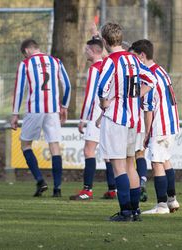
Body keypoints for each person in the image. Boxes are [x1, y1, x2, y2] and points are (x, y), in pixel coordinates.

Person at [97, 23, 156, 221]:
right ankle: (136, 211)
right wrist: (137, 94)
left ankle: (125, 212)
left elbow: (103, 89)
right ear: (121, 39)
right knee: (131, 164)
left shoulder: (109, 61)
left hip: (116, 120)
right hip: (135, 119)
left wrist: (104, 103)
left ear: (105, 41)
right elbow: (151, 80)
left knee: (118, 166)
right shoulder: (133, 58)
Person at [10, 39, 71, 197]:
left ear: (27, 51)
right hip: (53, 110)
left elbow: (19, 90)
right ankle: (57, 189)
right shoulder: (55, 61)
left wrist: (15, 114)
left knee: (25, 145)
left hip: (34, 109)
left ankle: (40, 180)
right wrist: (64, 106)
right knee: (55, 147)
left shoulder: (26, 64)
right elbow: (67, 85)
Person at [129, 39, 180, 214]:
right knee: (165, 160)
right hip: (171, 123)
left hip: (159, 125)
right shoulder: (161, 70)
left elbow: (148, 109)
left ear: (142, 56)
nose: (133, 61)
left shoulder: (149, 75)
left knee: (156, 162)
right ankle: (172, 201)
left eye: (134, 56)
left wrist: (146, 134)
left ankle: (161, 205)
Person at [69, 37, 104, 201]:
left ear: (93, 51)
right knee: (111, 154)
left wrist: (83, 118)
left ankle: (87, 190)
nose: (85, 52)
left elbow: (90, 96)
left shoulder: (95, 68)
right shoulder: (110, 65)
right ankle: (113, 189)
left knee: (89, 150)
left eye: (87, 50)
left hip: (97, 113)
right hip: (110, 114)